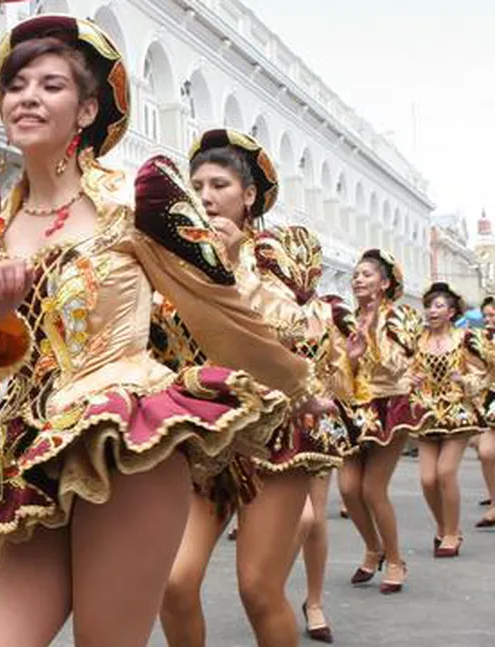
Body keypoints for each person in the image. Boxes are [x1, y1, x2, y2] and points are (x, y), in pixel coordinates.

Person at [0, 16, 325, 646]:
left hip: (129, 442)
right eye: (15, 84)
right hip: (34, 455)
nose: (26, 96)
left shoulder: (137, 198)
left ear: (86, 110)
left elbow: (219, 307)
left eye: (50, 85)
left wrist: (299, 384)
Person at [157, 136, 347, 647]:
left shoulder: (272, 258)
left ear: (248, 197)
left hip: (272, 441)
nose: (207, 195)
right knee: (173, 582)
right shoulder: (173, 261)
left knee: (259, 589)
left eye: (219, 184)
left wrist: (232, 266)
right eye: (196, 186)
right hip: (202, 440)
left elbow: (301, 337)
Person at [336, 248, 423, 594]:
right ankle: (373, 548)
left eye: (367, 274)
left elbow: (397, 364)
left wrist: (369, 335)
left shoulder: (400, 317)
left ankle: (396, 559)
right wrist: (350, 359)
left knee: (373, 489)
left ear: (385, 283)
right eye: (356, 274)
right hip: (354, 409)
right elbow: (339, 374)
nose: (358, 279)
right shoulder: (345, 321)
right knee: (347, 488)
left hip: (390, 406)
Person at [408, 282, 486, 557]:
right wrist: (411, 379)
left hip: (457, 412)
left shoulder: (464, 339)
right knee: (428, 479)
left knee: (445, 472)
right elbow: (405, 372)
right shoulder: (417, 340)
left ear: (451, 312)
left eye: (439, 306)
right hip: (427, 413)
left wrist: (463, 379)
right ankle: (443, 527)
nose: (432, 310)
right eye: (429, 306)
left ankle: (452, 533)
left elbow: (483, 374)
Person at [476, 296, 495, 526]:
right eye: (486, 316)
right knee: (487, 452)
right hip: (489, 399)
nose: (489, 320)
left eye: (493, 315)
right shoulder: (480, 340)